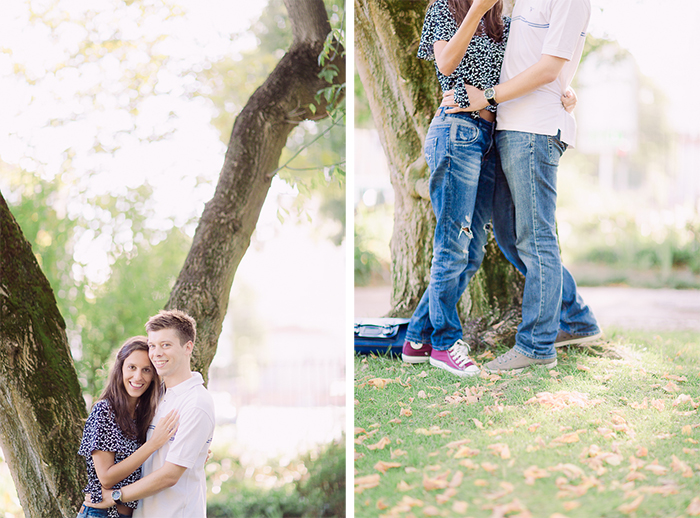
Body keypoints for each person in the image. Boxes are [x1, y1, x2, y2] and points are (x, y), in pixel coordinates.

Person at [402, 0, 579, 377]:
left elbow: (530, 66)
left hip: (489, 136)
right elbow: (446, 64)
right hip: (457, 133)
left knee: (470, 248)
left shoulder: (503, 17)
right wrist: (476, 10)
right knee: (453, 243)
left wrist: (565, 89)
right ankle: (445, 343)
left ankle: (417, 338)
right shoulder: (444, 8)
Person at [442, 0, 602, 373]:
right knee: (511, 236)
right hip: (510, 128)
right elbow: (530, 58)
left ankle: (535, 347)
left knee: (535, 238)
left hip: (535, 129)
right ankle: (576, 318)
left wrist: (488, 97)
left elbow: (549, 67)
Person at [84, 309, 215, 518]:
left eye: (166, 345)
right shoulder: (157, 398)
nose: (157, 353)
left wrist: (115, 496)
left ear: (188, 347)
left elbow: (170, 476)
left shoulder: (196, 403)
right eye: (153, 345)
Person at [77, 336, 179, 518]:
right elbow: (106, 478)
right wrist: (153, 444)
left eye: (146, 370)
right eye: (132, 367)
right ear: (121, 369)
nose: (138, 377)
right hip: (101, 514)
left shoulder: (144, 414)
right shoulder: (105, 411)